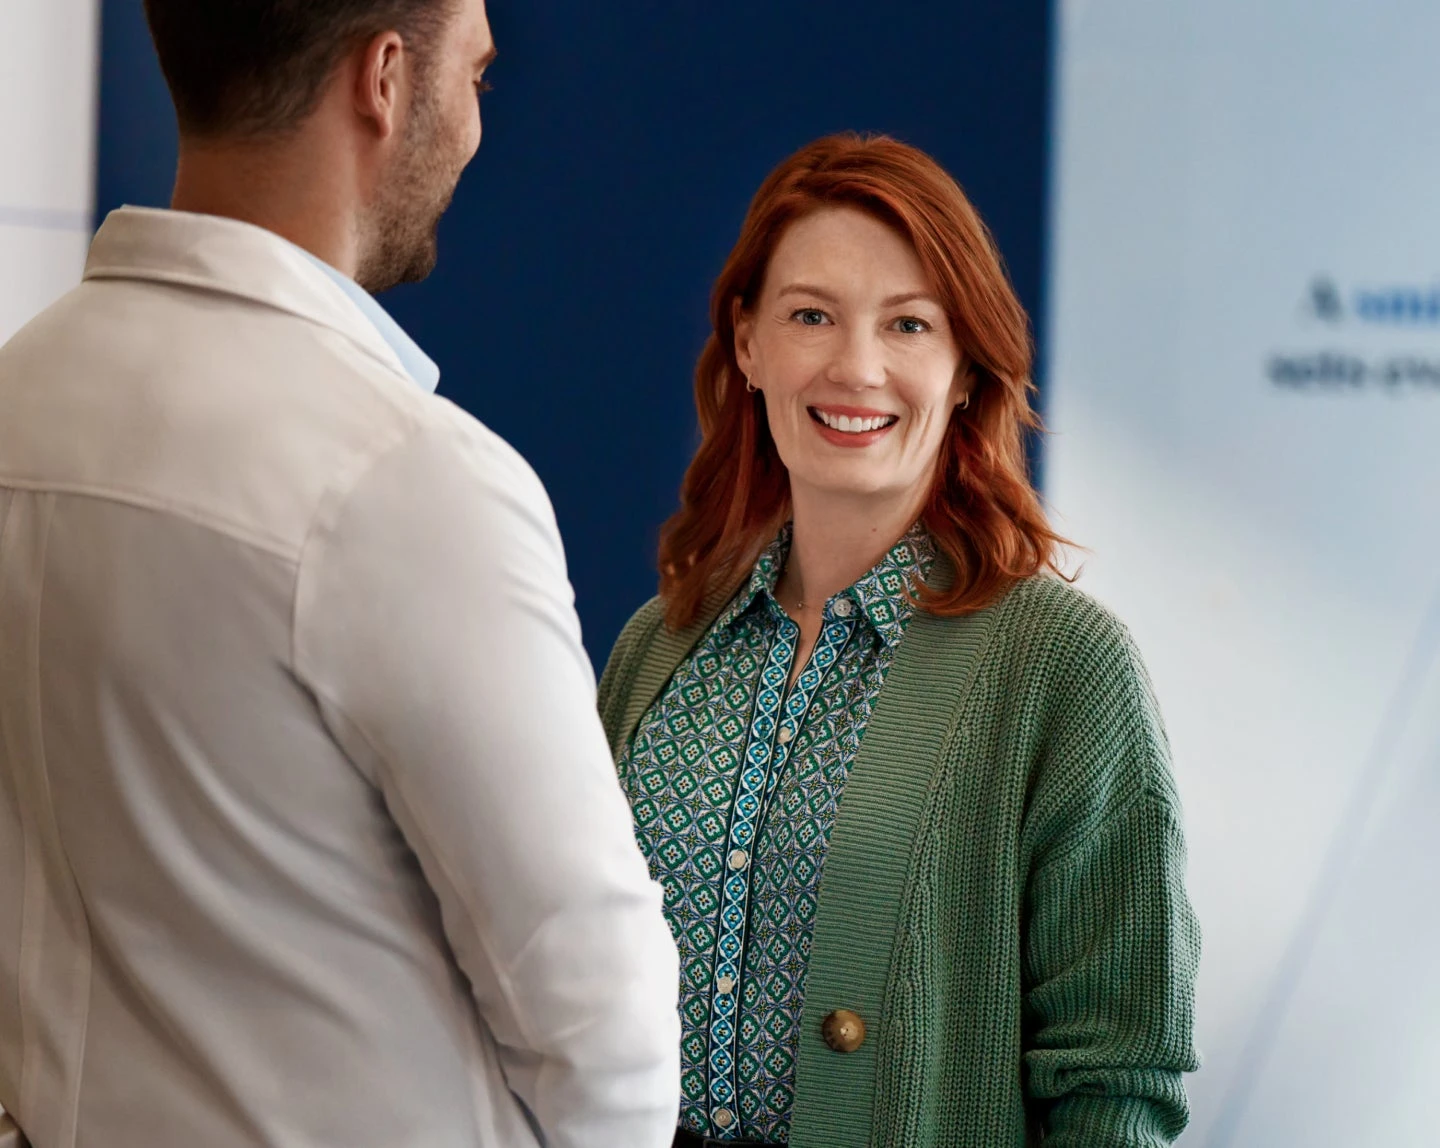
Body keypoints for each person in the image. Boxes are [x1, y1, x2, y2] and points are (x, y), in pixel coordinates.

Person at [0, 2, 680, 1146]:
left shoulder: (19, 404)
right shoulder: (413, 482)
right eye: (477, 75)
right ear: (384, 78)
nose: (472, 124)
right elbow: (606, 1040)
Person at [598, 133, 1200, 1148]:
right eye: (810, 315)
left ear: (967, 366)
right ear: (747, 342)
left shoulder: (1062, 668)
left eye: (909, 323)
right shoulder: (659, 643)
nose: (857, 366)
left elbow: (1117, 1081)